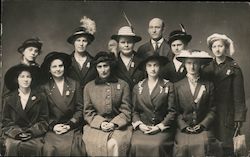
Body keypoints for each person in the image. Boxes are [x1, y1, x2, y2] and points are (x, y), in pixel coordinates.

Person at [203, 33, 247, 156]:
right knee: (211, 143)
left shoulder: (234, 68)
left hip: (227, 111)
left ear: (225, 48)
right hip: (210, 110)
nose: (217, 49)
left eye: (220, 46)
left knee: (227, 144)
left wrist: (239, 117)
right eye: (214, 46)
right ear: (211, 49)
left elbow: (239, 96)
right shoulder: (207, 68)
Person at [173, 50, 222, 157]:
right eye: (189, 63)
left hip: (203, 127)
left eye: (195, 63)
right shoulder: (177, 86)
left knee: (205, 144)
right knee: (182, 147)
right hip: (184, 128)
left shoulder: (209, 85)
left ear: (200, 65)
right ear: (185, 65)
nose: (192, 66)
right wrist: (184, 126)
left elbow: (213, 109)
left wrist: (203, 125)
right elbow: (175, 111)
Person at [83, 51, 132, 156]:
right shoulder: (89, 87)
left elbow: (126, 111)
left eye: (105, 66)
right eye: (99, 67)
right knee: (95, 143)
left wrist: (114, 123)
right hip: (95, 126)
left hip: (120, 127)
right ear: (96, 69)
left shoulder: (123, 85)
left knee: (114, 143)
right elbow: (88, 112)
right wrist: (101, 123)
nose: (103, 70)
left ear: (111, 66)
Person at [40, 52, 86, 156]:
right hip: (53, 128)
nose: (58, 69)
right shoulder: (44, 88)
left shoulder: (74, 84)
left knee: (76, 148)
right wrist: (53, 126)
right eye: (54, 66)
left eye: (60, 66)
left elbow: (80, 108)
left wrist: (70, 124)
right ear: (49, 69)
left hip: (72, 127)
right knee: (48, 149)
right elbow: (43, 113)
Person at [130, 55, 176, 157]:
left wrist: (159, 127)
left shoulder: (168, 86)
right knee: (135, 144)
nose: (153, 69)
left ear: (160, 67)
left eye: (156, 65)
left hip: (161, 128)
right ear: (145, 68)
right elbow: (134, 111)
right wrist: (140, 125)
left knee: (157, 145)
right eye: (149, 66)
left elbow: (172, 112)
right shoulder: (138, 87)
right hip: (143, 127)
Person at [2, 64, 49, 156]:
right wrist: (17, 133)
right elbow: (5, 121)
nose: (25, 79)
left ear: (32, 79)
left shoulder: (41, 97)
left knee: (38, 147)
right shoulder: (8, 98)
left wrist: (31, 132)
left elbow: (44, 120)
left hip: (34, 134)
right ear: (17, 79)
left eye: (28, 77)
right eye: (22, 76)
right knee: (11, 146)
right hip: (14, 135)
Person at [67, 16, 97, 90]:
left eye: (84, 41)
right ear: (73, 42)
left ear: (88, 43)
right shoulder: (66, 61)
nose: (81, 44)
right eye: (78, 40)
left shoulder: (94, 61)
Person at [111, 26, 144, 90]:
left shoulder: (142, 62)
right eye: (123, 42)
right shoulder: (113, 61)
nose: (126, 45)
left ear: (134, 43)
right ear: (118, 44)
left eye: (129, 42)